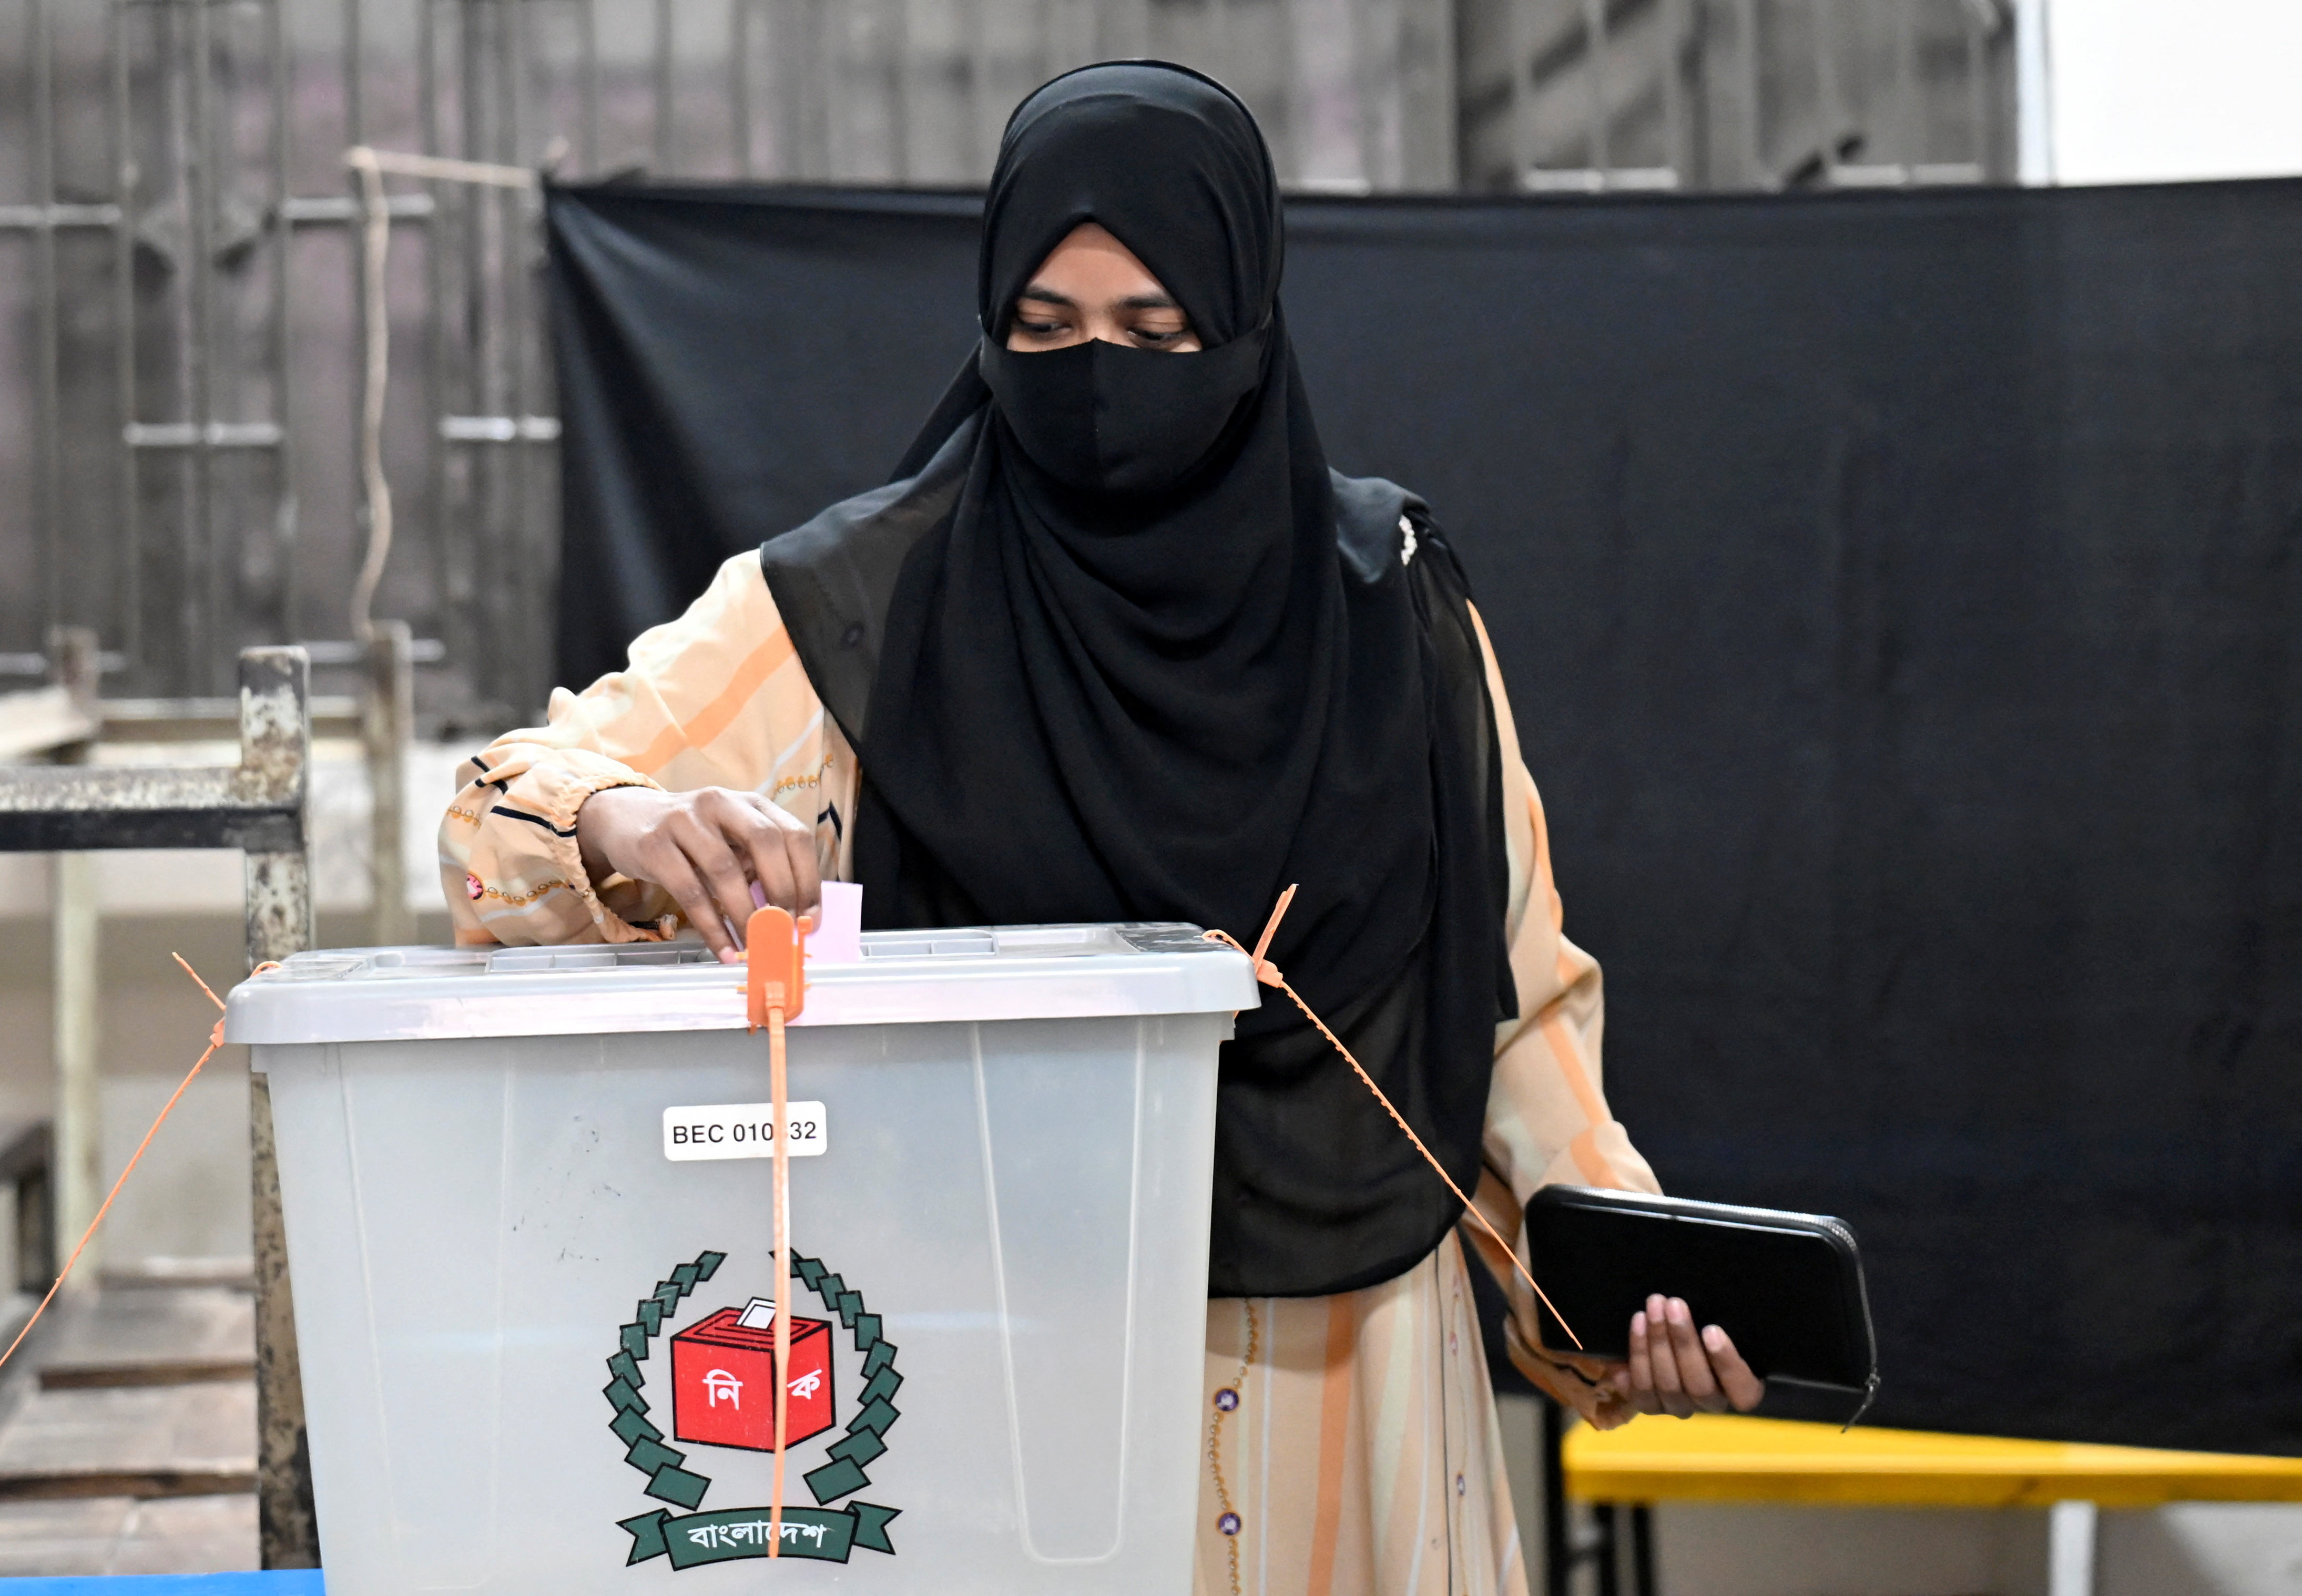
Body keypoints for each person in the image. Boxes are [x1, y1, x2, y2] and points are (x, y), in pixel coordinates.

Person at [441, 60, 1758, 1596]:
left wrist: (1616, 1289)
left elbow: (1513, 1001)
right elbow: (497, 826)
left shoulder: (1387, 601)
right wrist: (624, 812)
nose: (1099, 386)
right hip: (997, 1403)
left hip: (1361, 1409)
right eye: (1045, 335)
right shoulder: (866, 605)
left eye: (1156, 335)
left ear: (1247, 331)